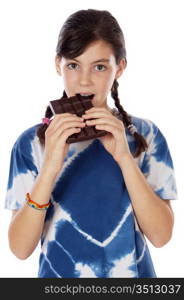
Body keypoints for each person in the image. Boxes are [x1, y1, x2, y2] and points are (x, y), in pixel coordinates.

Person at [5, 9, 177, 278]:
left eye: (99, 67)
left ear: (119, 68)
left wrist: (124, 157)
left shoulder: (145, 134)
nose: (84, 81)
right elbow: (19, 248)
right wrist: (50, 166)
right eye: (73, 65)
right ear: (57, 64)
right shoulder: (32, 143)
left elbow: (161, 236)